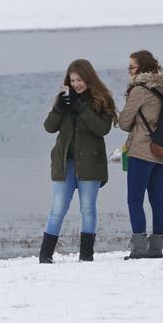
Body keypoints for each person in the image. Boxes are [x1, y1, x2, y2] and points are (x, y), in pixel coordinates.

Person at [39, 59, 117, 263]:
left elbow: (102, 129)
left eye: (79, 80)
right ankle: (45, 256)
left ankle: (86, 255)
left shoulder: (102, 99)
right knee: (57, 209)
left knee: (88, 209)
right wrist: (58, 108)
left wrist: (82, 108)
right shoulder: (63, 99)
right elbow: (49, 127)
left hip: (90, 164)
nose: (76, 84)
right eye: (72, 80)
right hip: (65, 164)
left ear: (88, 78)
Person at [118, 50, 163, 260]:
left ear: (142, 68)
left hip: (142, 152)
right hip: (160, 151)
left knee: (134, 200)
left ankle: (139, 248)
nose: (129, 71)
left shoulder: (139, 90)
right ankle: (156, 248)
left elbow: (124, 122)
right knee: (157, 200)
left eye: (132, 67)